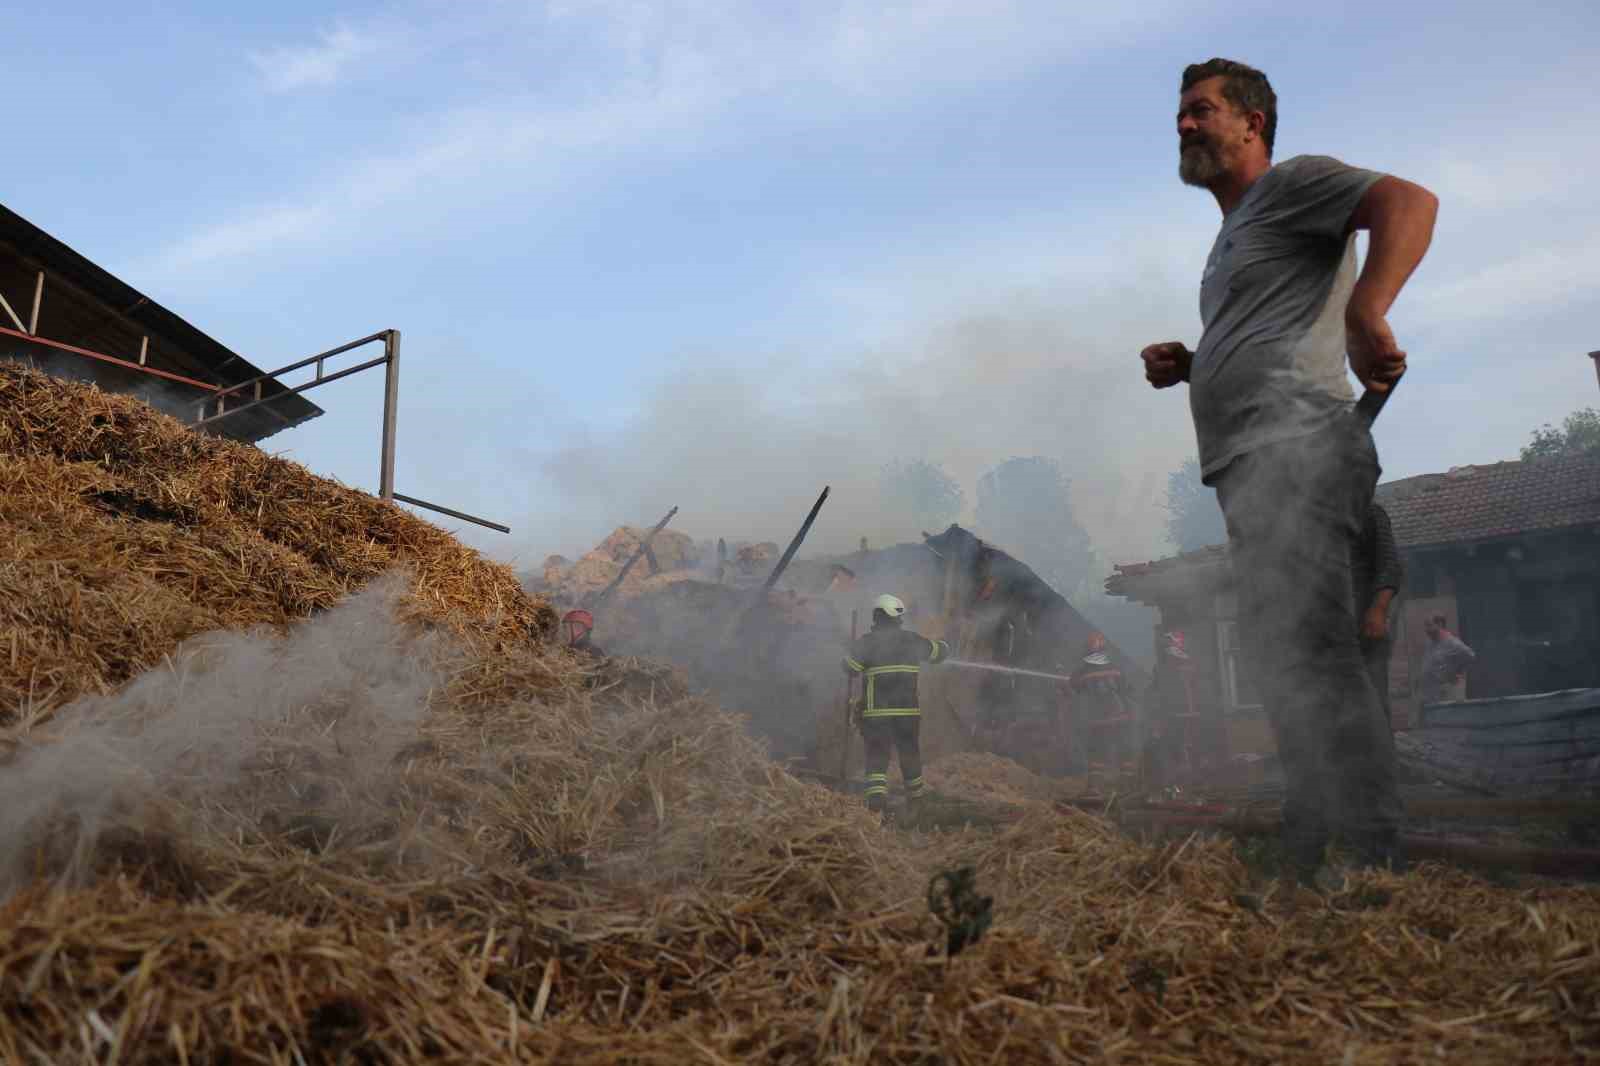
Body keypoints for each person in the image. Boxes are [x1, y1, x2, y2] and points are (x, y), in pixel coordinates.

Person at [1139, 58, 1438, 881]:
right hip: (1250, 467)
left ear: (1253, 122)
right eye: (1181, 114)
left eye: (1201, 111)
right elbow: (1268, 342)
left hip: (1301, 448)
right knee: (1282, 657)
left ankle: (1372, 853)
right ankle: (1311, 838)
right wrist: (1197, 364)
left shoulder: (1292, 185)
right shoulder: (1230, 240)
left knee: (1315, 652)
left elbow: (1410, 202)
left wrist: (1367, 308)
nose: (1185, 125)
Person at [843, 593, 950, 815]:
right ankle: (917, 801)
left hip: (877, 714)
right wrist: (944, 645)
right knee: (910, 753)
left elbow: (850, 668)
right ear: (897, 617)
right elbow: (939, 653)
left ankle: (876, 805)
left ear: (876, 616)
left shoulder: (866, 643)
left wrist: (850, 651)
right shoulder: (912, 640)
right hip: (908, 714)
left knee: (877, 756)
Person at [1352, 502, 1405, 725]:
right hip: (1330, 630)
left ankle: (1379, 755)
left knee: (1372, 700)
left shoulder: (1369, 511)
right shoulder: (1313, 521)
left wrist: (1378, 610)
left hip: (1366, 627)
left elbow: (1389, 567)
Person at [1069, 632, 1136, 779]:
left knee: (1097, 750)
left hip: (1098, 717)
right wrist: (1130, 712)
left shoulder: (1082, 671)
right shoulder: (1115, 667)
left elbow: (1073, 687)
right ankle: (1127, 781)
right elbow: (1127, 689)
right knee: (1124, 747)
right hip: (1119, 714)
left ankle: (1095, 785)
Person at [1420, 613, 1476, 709]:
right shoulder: (1430, 643)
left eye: (1429, 625)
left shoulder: (1453, 643)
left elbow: (1470, 655)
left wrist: (1458, 672)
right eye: (1425, 626)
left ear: (1440, 625)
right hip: (1431, 695)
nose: (1426, 630)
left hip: (1446, 695)